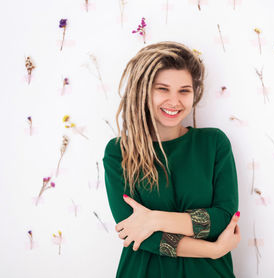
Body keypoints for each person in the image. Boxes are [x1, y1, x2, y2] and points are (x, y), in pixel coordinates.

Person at [103, 41, 241, 278]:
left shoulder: (214, 143)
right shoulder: (120, 151)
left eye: (184, 90)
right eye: (162, 89)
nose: (174, 101)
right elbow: (133, 231)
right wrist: (214, 249)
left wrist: (154, 218)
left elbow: (222, 219)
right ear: (143, 90)